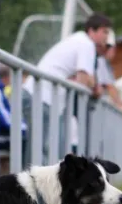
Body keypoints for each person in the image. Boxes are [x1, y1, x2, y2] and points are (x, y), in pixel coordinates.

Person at [21, 12, 113, 165]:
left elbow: (82, 78)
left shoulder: (79, 41)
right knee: (40, 152)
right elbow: (84, 79)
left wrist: (89, 81)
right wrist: (95, 86)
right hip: (41, 97)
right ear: (91, 30)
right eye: (104, 31)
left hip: (46, 99)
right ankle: (28, 188)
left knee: (49, 152)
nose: (106, 37)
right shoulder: (86, 44)